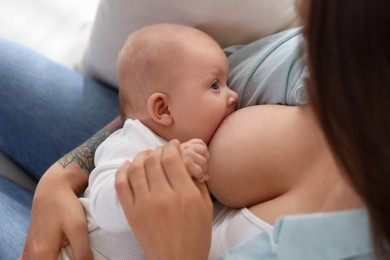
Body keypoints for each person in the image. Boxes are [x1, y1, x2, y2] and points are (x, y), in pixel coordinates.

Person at [114, 0, 390, 259]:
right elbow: (152, 96)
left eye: (313, 37)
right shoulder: (293, 68)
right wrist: (75, 169)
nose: (302, 53)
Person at [58, 23, 237, 259]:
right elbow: (103, 206)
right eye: (215, 85)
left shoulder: (195, 154)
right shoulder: (132, 142)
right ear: (163, 109)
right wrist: (164, 170)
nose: (233, 95)